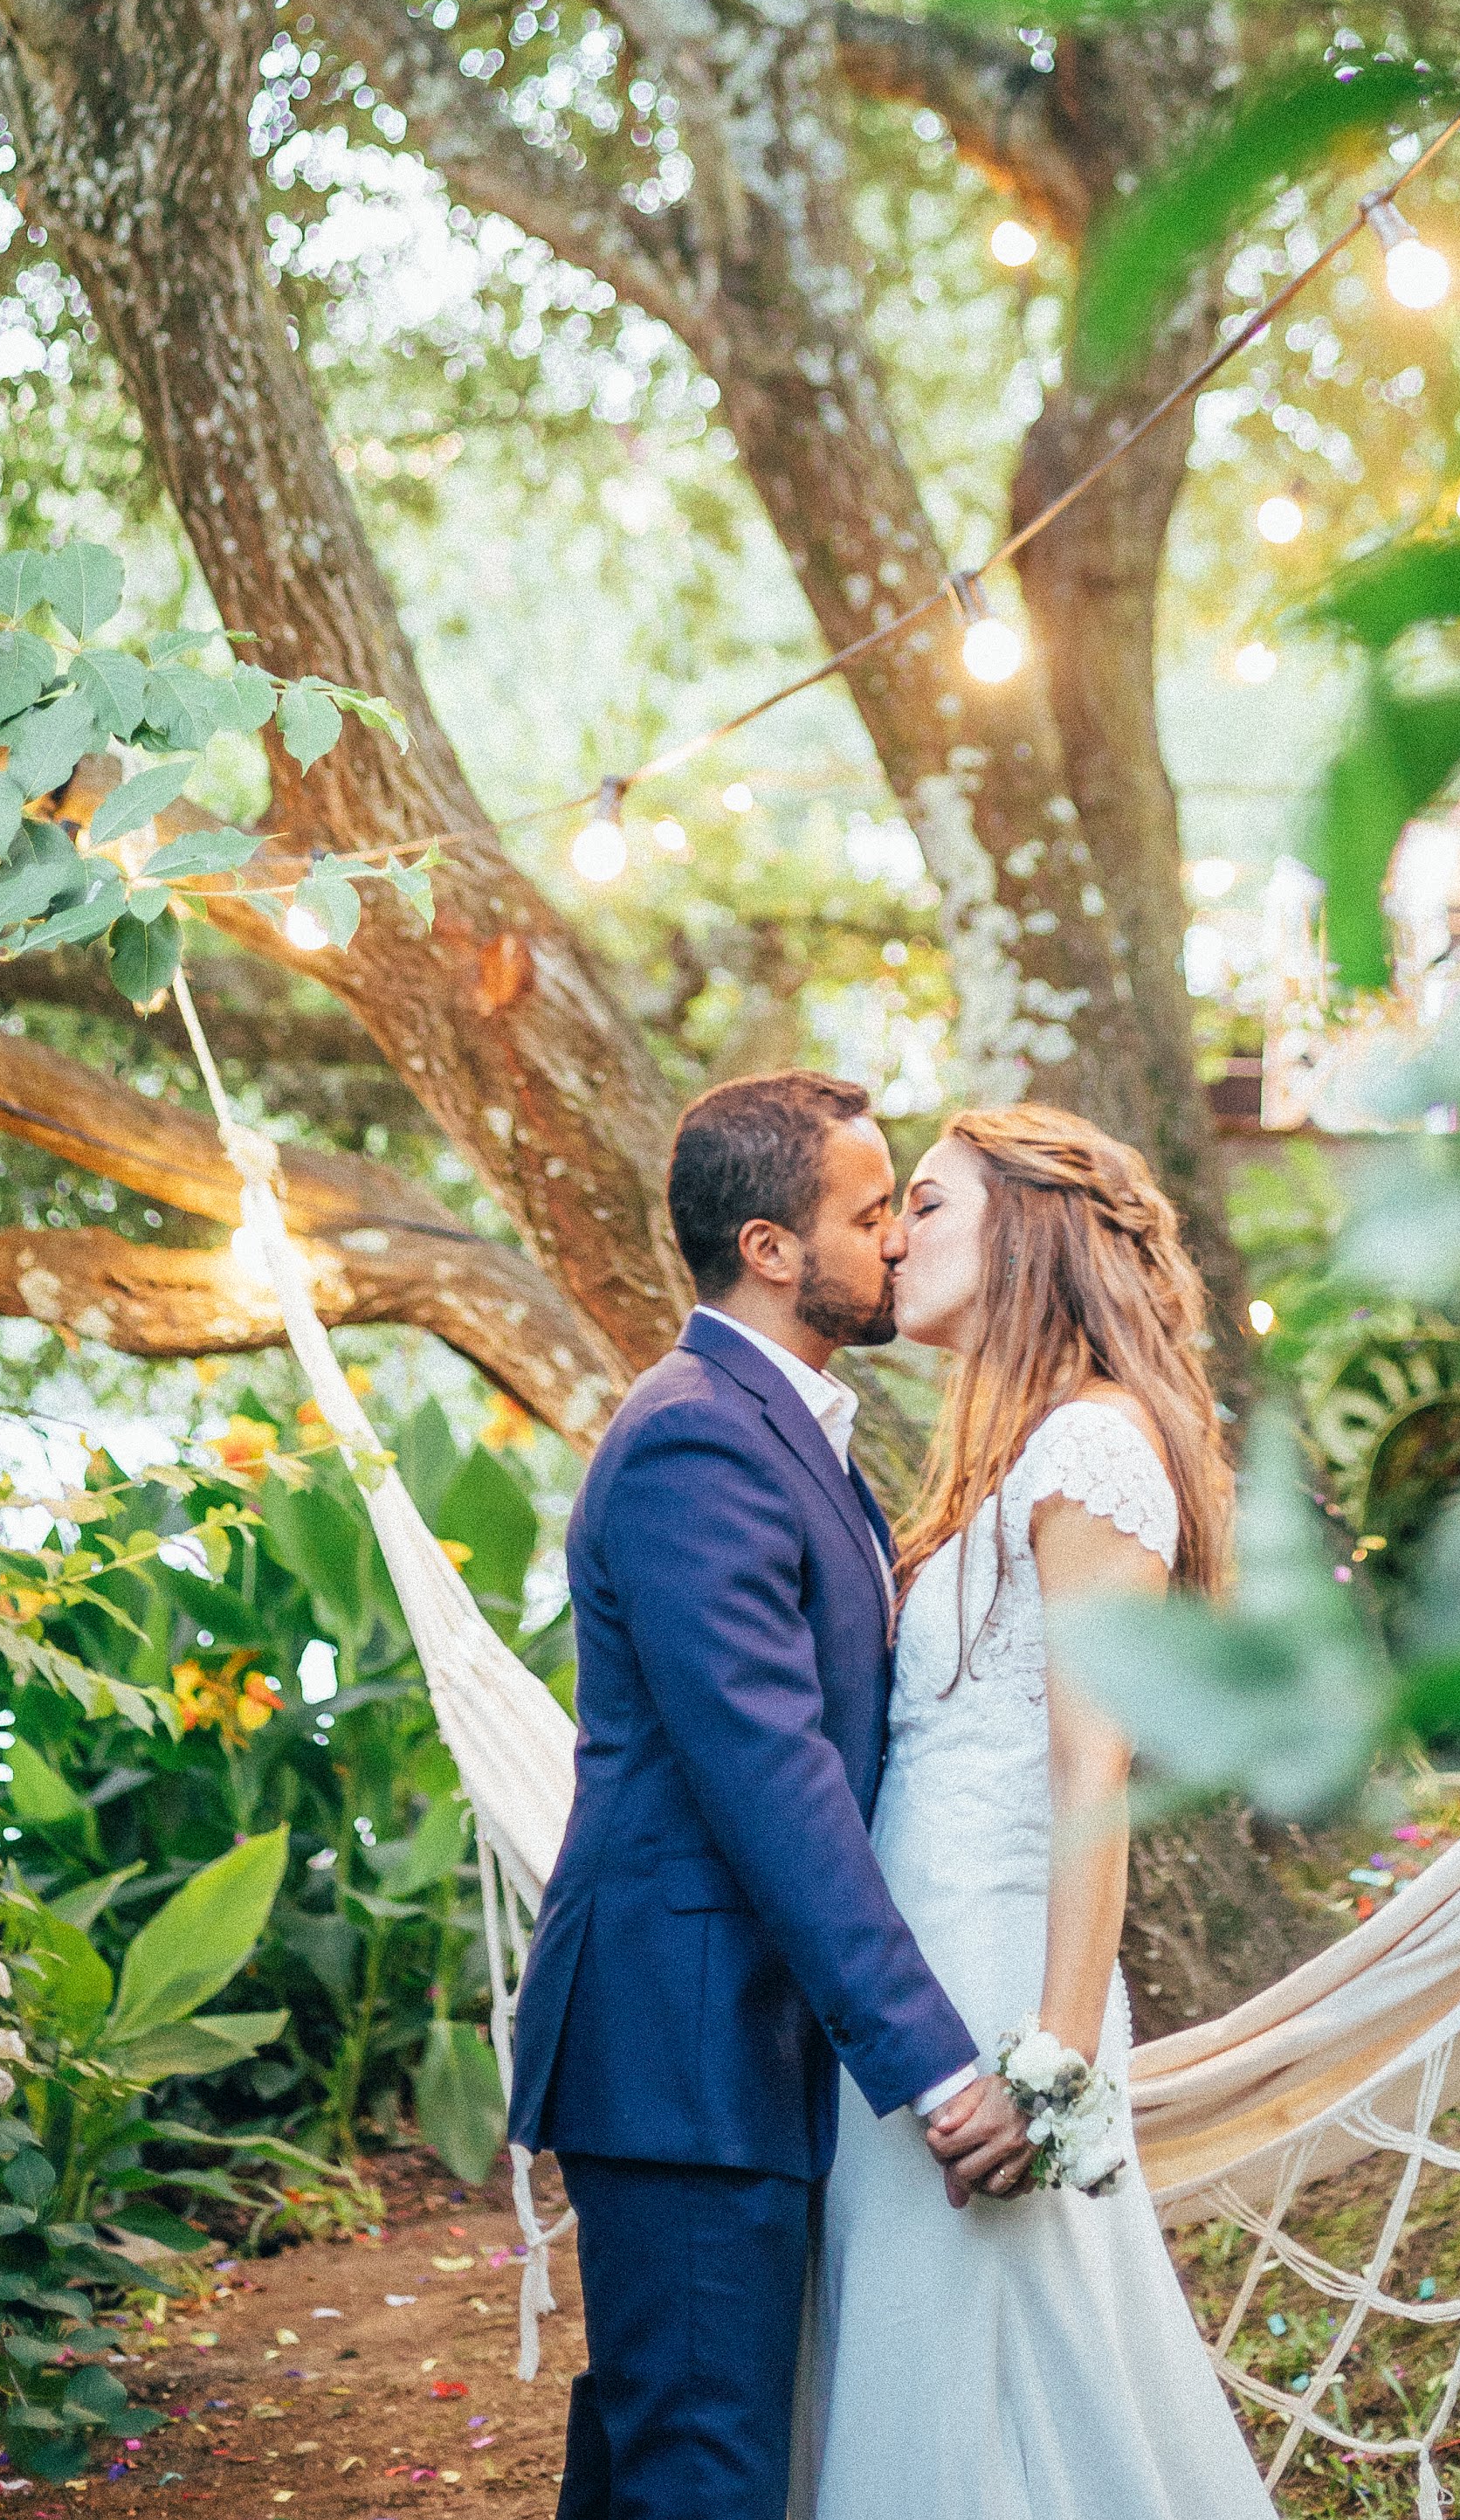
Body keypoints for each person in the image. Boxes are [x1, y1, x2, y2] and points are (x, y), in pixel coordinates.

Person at [506, 1070, 1028, 2520]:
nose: (897, 1238)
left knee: (680, 2450)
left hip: (735, 2046)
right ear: (770, 1248)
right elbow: (771, 1778)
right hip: (681, 2048)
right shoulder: (695, 1437)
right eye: (870, 1213)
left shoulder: (784, 1425)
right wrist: (935, 2064)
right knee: (704, 2467)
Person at [795, 1104, 1271, 2520]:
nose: (893, 1238)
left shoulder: (1095, 1445)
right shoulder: (1007, 1456)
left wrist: (1053, 2058)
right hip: (916, 1972)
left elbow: (1089, 1771)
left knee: (1004, 2356)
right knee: (926, 2350)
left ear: (1028, 1229)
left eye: (924, 1201)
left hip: (1000, 1981)